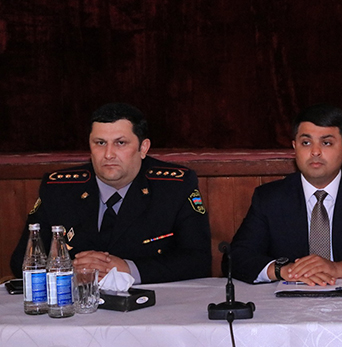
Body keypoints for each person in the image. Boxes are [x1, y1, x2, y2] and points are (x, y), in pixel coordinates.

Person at [10, 103, 212, 283]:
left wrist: (129, 270)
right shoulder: (59, 189)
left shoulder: (174, 187)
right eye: (100, 143)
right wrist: (71, 270)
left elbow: (199, 260)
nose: (108, 154)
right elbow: (21, 261)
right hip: (77, 302)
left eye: (120, 143)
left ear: (143, 148)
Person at [230, 104, 342, 285]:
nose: (315, 152)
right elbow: (237, 257)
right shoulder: (269, 198)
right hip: (290, 298)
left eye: (326, 143)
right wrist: (285, 271)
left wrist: (337, 269)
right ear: (295, 148)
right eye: (306, 143)